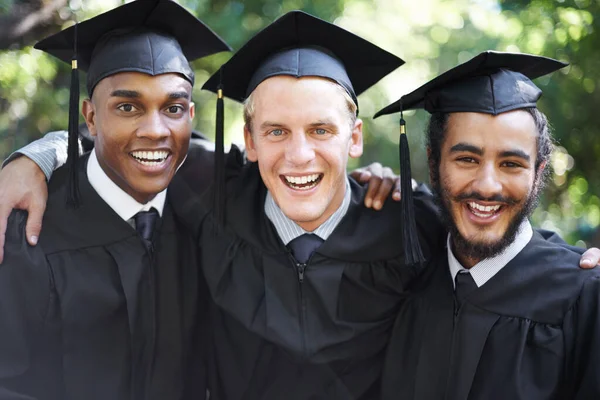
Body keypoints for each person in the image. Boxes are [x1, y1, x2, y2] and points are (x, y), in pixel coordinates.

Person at [2, 12, 599, 400]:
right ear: (250, 139)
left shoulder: (408, 222)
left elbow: (491, 226)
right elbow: (143, 143)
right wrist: (37, 155)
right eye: (278, 132)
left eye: (320, 129)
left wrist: (581, 271)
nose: (300, 156)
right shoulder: (212, 193)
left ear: (355, 138)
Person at [0, 0, 232, 398]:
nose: (155, 130)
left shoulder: (205, 213)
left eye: (173, 108)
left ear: (191, 115)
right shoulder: (28, 230)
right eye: (127, 107)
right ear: (90, 117)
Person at [375, 51, 600, 399]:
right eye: (467, 159)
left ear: (538, 174)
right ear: (434, 165)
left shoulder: (583, 298)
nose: (487, 185)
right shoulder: (403, 276)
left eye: (511, 164)